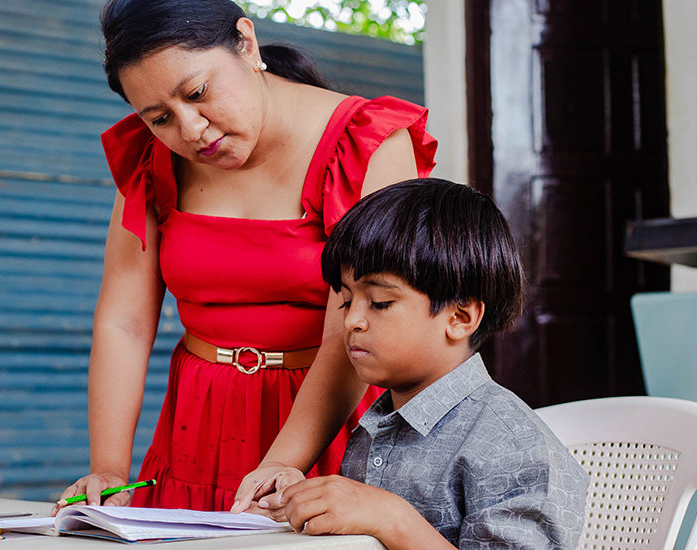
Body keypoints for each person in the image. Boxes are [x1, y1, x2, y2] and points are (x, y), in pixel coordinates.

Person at [55, 0, 437, 512]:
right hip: (197, 428)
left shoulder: (366, 145)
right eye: (160, 117)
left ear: (246, 42)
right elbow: (124, 322)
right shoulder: (152, 162)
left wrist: (282, 463)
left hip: (330, 427)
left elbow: (353, 327)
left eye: (197, 93)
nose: (190, 130)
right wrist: (107, 468)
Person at [233, 178, 589, 549]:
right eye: (345, 300)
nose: (352, 320)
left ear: (460, 317)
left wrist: (393, 519)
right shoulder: (378, 425)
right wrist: (297, 504)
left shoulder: (511, 446)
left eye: (380, 303)